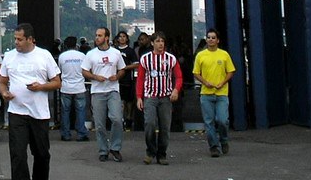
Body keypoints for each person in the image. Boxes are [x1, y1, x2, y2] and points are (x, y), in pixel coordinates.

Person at [0, 23, 61, 180]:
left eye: (20, 39)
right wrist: (4, 92)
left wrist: (41, 86)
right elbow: (2, 81)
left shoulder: (44, 55)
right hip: (17, 112)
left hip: (39, 114)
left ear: (30, 39)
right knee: (18, 154)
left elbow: (57, 82)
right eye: (15, 39)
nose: (16, 42)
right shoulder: (10, 56)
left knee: (41, 154)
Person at [136, 33, 183, 165]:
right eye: (157, 41)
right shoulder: (145, 59)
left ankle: (162, 154)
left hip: (166, 98)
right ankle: (150, 151)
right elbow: (140, 78)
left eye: (162, 41)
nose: (160, 44)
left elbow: (179, 76)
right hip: (150, 96)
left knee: (165, 127)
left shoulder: (171, 59)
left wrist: (176, 90)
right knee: (150, 123)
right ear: (152, 43)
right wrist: (139, 97)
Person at [82, 26, 126, 162]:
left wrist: (117, 76)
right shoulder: (91, 54)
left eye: (100, 35)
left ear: (107, 37)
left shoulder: (116, 53)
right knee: (100, 124)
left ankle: (115, 147)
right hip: (97, 91)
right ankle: (103, 150)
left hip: (113, 90)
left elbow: (122, 69)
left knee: (117, 119)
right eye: (96, 35)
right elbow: (84, 71)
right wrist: (95, 77)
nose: (97, 38)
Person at [192, 28, 236, 158]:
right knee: (209, 122)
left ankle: (224, 140)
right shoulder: (201, 55)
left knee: (222, 120)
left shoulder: (224, 55)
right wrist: (205, 82)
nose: (210, 40)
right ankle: (214, 147)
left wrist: (223, 82)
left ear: (218, 40)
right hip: (206, 93)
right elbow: (196, 72)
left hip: (221, 93)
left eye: (213, 37)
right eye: (208, 37)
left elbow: (231, 71)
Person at [56, 35, 89, 142]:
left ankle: (65, 134)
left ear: (65, 45)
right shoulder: (82, 56)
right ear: (76, 45)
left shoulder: (62, 57)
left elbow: (60, 70)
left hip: (66, 87)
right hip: (79, 87)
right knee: (80, 111)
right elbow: (85, 70)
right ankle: (81, 133)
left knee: (65, 112)